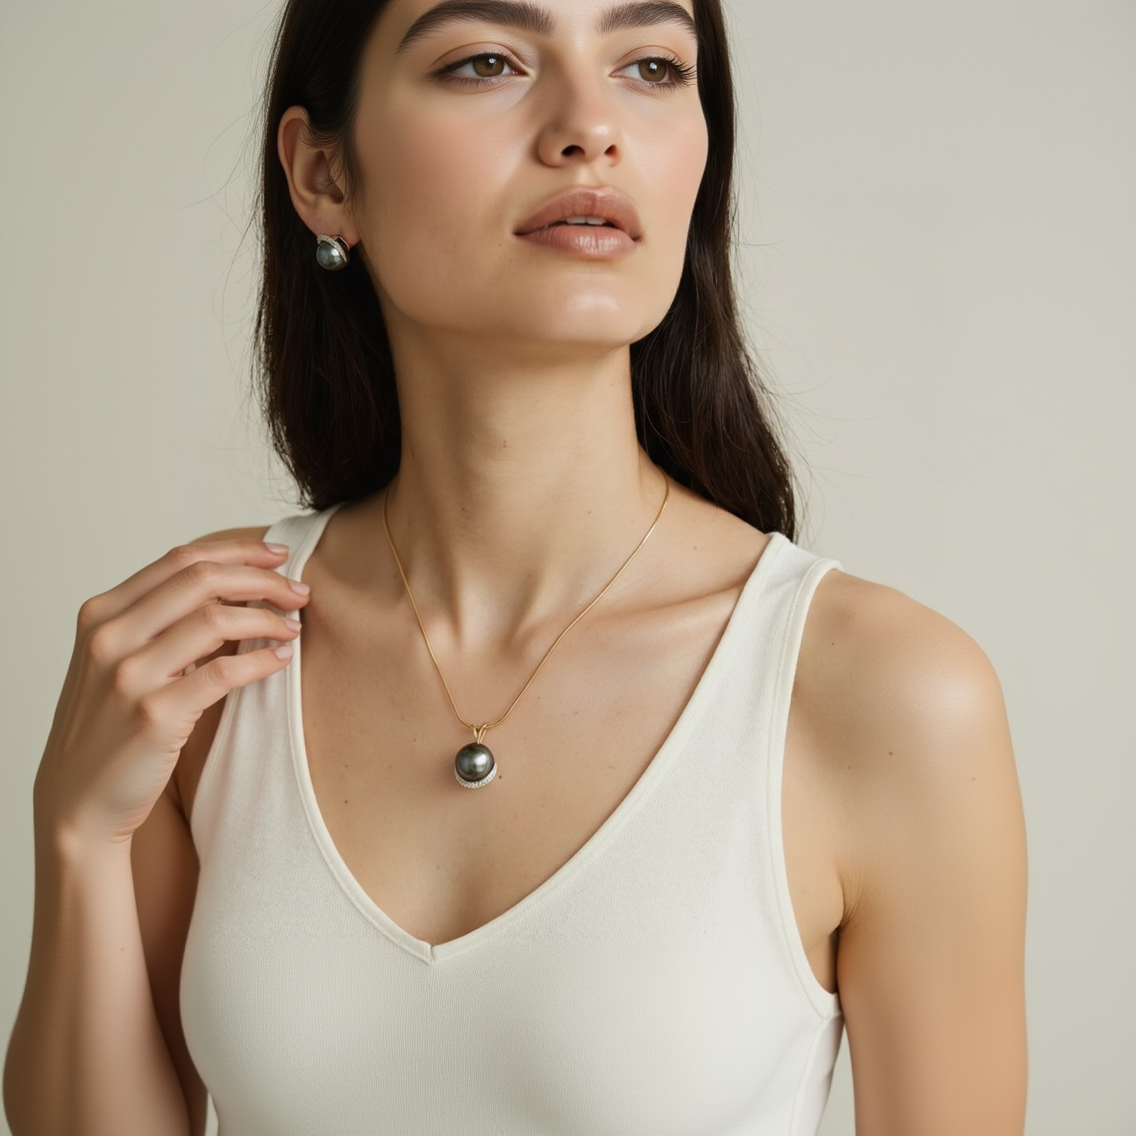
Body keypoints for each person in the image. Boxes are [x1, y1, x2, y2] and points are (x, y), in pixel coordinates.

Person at [3, 0, 1028, 1132]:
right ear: (324, 175)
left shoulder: (879, 693)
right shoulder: (203, 654)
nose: (590, 127)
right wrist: (79, 833)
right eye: (485, 60)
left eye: (648, 65)